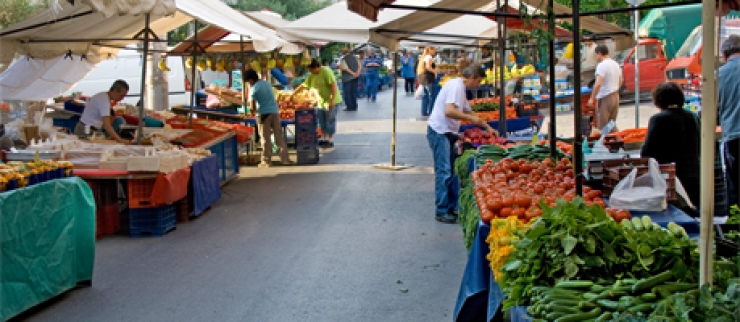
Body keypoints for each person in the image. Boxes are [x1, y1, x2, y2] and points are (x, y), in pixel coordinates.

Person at [427, 65, 496, 224]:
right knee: (444, 171)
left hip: (447, 133)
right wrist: (472, 119)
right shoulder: (456, 87)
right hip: (439, 132)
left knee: (450, 171)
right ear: (471, 76)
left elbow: (469, 111)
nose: (478, 85)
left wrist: (487, 127)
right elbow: (449, 111)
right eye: (477, 81)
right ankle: (442, 210)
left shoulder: (460, 88)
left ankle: (450, 207)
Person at [641, 82, 700, 211]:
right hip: (694, 176)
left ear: (658, 100)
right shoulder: (692, 117)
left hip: (670, 180)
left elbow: (647, 152)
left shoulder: (658, 119)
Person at [244, 70, 292, 168]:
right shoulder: (266, 83)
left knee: (265, 138)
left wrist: (252, 112)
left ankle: (266, 160)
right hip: (274, 112)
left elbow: (253, 107)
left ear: (250, 80)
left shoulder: (254, 89)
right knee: (279, 136)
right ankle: (285, 159)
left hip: (263, 114)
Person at [294, 59, 342, 148]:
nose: (310, 71)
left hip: (332, 100)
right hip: (320, 101)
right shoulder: (311, 75)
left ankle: (329, 139)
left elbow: (333, 86)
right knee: (322, 120)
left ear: (316, 67)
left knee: (330, 119)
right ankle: (323, 138)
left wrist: (331, 101)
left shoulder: (326, 72)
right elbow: (304, 85)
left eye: (311, 69)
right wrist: (293, 93)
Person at [718, 35, 740, 205]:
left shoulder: (717, 76)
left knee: (735, 186)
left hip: (733, 137)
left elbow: (711, 111)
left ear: (724, 56)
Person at [75, 80, 130, 144]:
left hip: (87, 128)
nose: (122, 98)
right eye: (121, 95)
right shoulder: (104, 101)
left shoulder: (103, 96)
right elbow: (107, 125)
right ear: (114, 91)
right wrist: (119, 140)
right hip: (85, 130)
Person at [588, 45, 623, 132]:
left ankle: (605, 144)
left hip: (605, 97)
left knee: (603, 125)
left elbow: (598, 83)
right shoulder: (615, 64)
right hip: (615, 95)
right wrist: (615, 89)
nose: (596, 57)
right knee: (611, 123)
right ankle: (617, 140)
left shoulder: (602, 66)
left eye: (596, 55)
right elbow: (621, 80)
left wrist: (592, 98)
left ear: (599, 53)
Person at [417, 47, 439, 116]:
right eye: (434, 49)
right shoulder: (429, 56)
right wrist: (435, 72)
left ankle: (424, 112)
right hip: (428, 78)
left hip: (423, 78)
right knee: (431, 95)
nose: (435, 51)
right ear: (430, 49)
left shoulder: (424, 57)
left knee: (425, 95)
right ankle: (431, 111)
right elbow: (428, 67)